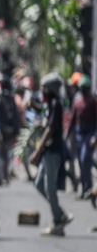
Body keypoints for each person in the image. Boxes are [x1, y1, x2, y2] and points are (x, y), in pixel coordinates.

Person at [30, 73, 75, 236]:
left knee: (50, 188)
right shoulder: (49, 104)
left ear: (50, 90)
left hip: (53, 152)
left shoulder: (56, 104)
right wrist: (33, 106)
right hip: (47, 152)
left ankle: (58, 221)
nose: (42, 92)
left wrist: (37, 152)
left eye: (44, 89)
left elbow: (50, 128)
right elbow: (44, 115)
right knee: (39, 184)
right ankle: (60, 214)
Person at [65, 74, 96, 199]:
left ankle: (88, 187)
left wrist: (95, 136)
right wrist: (67, 134)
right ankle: (84, 188)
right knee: (80, 161)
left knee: (84, 159)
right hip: (79, 133)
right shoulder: (77, 100)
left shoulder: (93, 101)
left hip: (89, 132)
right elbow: (73, 119)